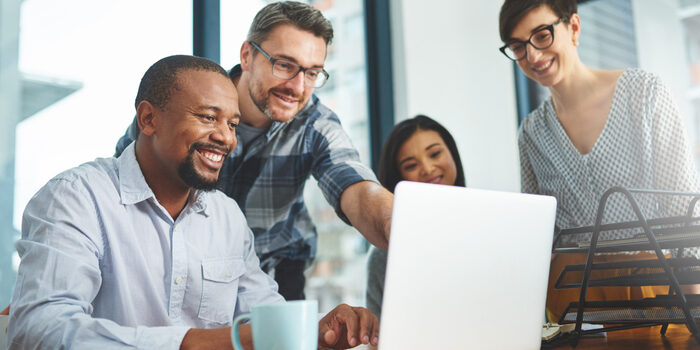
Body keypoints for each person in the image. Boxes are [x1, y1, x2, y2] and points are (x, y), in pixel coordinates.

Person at [8, 55, 379, 350]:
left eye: (232, 124)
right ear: (149, 119)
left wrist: (319, 333)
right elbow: (39, 330)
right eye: (207, 117)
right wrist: (193, 342)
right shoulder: (75, 197)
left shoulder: (226, 217)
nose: (225, 138)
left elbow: (262, 320)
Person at [115, 1, 393, 301]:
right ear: (247, 56)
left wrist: (394, 222)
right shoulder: (188, 103)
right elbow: (127, 179)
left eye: (312, 73)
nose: (298, 87)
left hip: (274, 273)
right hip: (184, 266)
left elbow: (355, 185)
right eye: (284, 65)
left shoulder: (316, 125)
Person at [498, 0, 700, 320]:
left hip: (657, 282)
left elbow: (684, 211)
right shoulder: (531, 132)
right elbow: (539, 235)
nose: (533, 55)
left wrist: (695, 305)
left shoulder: (643, 93)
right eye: (518, 46)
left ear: (573, 27)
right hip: (573, 296)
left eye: (541, 35)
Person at [366, 115, 466, 320]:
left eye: (435, 154)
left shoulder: (489, 226)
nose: (428, 169)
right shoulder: (385, 252)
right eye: (411, 165)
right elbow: (377, 340)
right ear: (398, 177)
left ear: (452, 153)